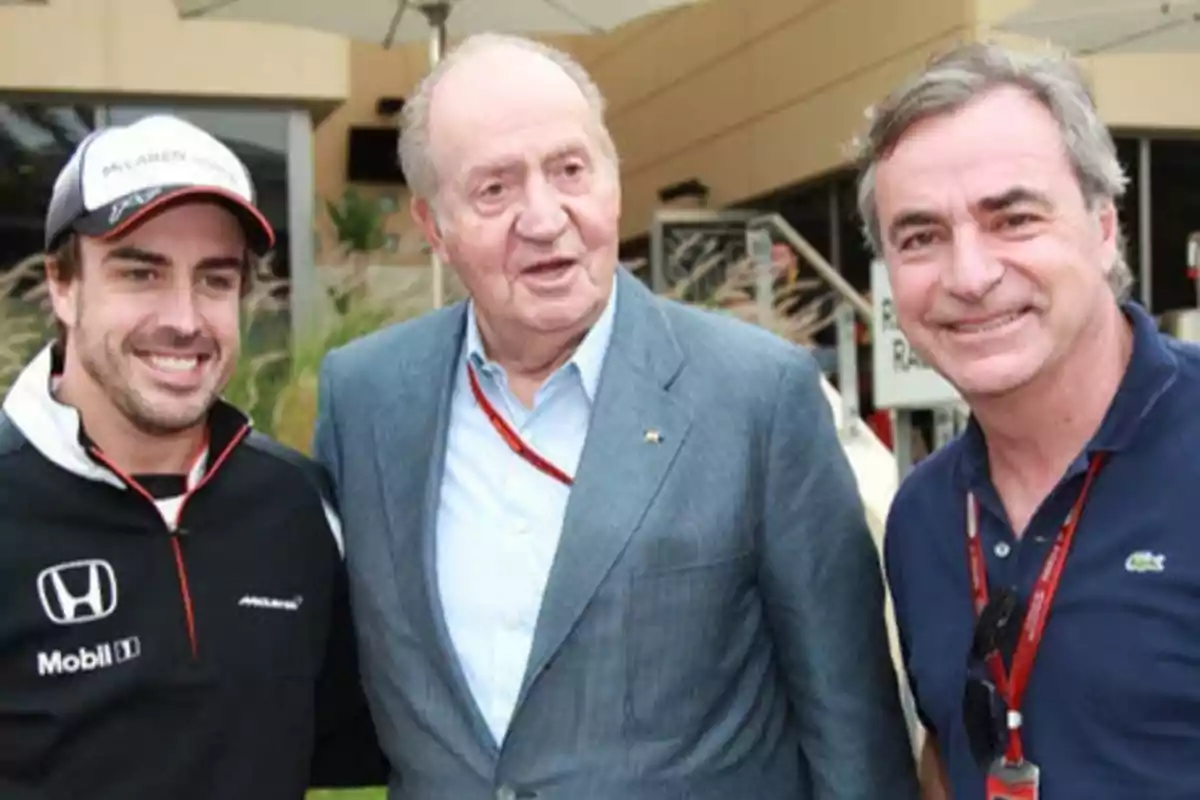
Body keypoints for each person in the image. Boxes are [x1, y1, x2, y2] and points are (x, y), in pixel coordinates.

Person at [314, 32, 920, 800]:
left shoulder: (758, 396)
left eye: (570, 170)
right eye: (494, 189)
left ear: (612, 180)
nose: (545, 217)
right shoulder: (365, 397)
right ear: (435, 227)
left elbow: (852, 724)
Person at [0, 114, 387, 799]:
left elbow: (345, 749)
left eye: (214, 279)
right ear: (63, 285)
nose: (184, 318)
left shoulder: (298, 505)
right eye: (141, 273)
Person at [857, 41, 1200, 799]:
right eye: (920, 237)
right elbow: (948, 757)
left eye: (1012, 218)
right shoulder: (922, 517)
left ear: (1104, 226)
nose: (970, 276)